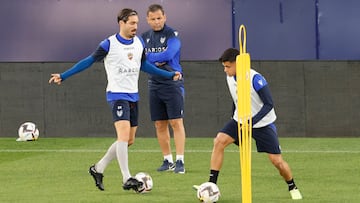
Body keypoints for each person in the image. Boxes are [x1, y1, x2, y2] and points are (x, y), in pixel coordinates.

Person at [48, 8, 181, 192]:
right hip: (117, 95)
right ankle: (127, 178)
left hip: (133, 95)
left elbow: (145, 66)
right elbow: (88, 61)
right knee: (123, 135)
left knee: (128, 140)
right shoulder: (108, 44)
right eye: (132, 23)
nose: (136, 26)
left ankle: (98, 168)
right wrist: (64, 75)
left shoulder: (139, 43)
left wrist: (168, 75)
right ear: (122, 23)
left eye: (137, 23)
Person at [194, 48, 302, 200]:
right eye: (224, 67)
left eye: (228, 66)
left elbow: (269, 104)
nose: (225, 70)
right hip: (240, 120)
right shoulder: (230, 78)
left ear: (238, 64)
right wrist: (235, 117)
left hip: (262, 123)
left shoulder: (255, 78)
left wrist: (251, 123)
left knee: (276, 161)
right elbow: (236, 99)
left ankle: (292, 186)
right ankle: (211, 185)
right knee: (219, 141)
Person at [141, 4, 186, 174]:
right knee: (160, 124)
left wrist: (150, 58)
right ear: (148, 19)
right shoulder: (143, 37)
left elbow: (168, 55)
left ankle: (180, 161)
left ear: (164, 17)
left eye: (159, 18)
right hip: (154, 84)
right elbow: (140, 59)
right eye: (153, 19)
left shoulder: (172, 34)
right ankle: (168, 160)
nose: (156, 21)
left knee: (176, 122)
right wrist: (153, 60)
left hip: (173, 82)